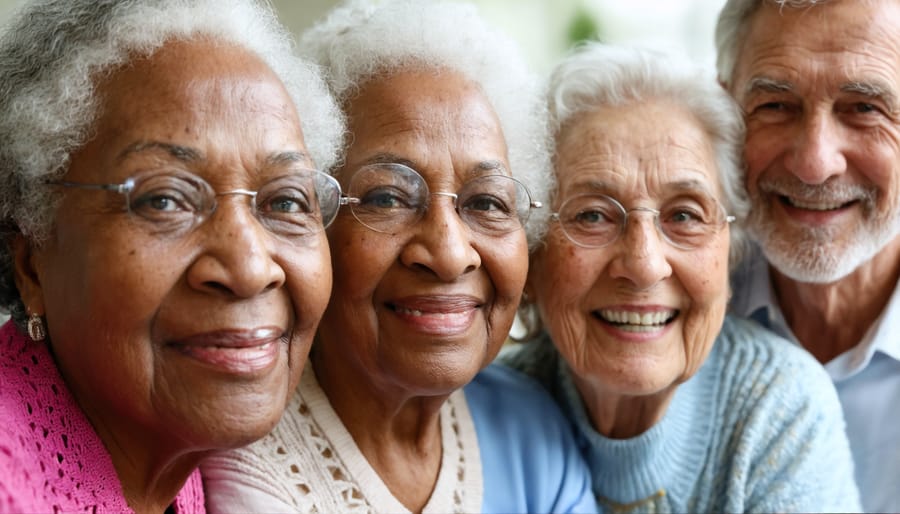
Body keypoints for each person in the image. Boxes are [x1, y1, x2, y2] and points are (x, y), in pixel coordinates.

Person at [201, 1, 596, 512]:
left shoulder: (532, 433)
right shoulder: (230, 461)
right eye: (388, 197)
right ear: (307, 221)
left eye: (486, 202)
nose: (449, 255)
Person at [0, 0, 345, 512]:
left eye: (286, 201)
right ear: (30, 260)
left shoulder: (180, 454)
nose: (250, 269)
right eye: (164, 200)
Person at [500, 42, 861, 513]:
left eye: (685, 216)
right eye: (592, 215)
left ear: (729, 252)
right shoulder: (490, 415)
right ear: (532, 249)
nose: (645, 264)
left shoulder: (778, 410)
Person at [715, 1, 900, 511]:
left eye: (864, 108)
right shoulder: (665, 314)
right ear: (723, 110)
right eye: (775, 105)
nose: (815, 163)